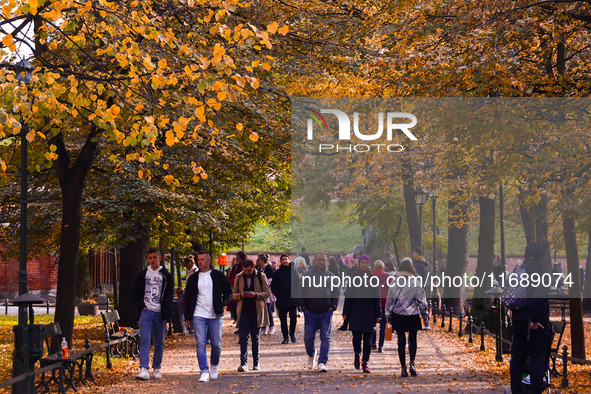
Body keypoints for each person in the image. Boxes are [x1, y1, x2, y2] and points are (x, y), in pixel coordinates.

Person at [184, 251, 233, 382]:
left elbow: (229, 292)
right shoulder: (193, 278)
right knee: (201, 343)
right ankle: (204, 370)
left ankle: (214, 365)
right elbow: (188, 299)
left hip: (215, 315)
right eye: (198, 260)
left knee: (216, 344)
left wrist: (222, 304)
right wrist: (187, 318)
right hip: (198, 314)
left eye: (202, 260)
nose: (200, 262)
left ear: (209, 261)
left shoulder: (218, 275)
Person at [510, 243, 551, 394]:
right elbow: (537, 297)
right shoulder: (541, 273)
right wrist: (534, 319)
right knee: (537, 360)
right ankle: (534, 391)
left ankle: (517, 390)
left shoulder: (518, 270)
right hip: (536, 323)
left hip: (519, 321)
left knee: (517, 359)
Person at [133, 247, 174, 380]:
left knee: (159, 342)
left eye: (154, 257)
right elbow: (136, 293)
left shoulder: (167, 276)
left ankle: (157, 368)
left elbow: (168, 297)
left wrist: (167, 314)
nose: (152, 260)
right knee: (145, 339)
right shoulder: (142, 275)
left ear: (160, 258)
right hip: (147, 311)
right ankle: (143, 368)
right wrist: (142, 306)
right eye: (150, 258)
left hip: (160, 313)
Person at [385, 257, 429, 378]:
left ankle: (403, 368)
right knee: (413, 340)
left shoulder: (394, 282)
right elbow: (422, 301)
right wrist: (425, 315)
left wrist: (388, 314)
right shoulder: (415, 282)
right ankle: (412, 364)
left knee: (401, 342)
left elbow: (389, 300)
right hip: (413, 315)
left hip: (398, 314)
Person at [299, 251, 340, 372]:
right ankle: (311, 354)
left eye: (324, 260)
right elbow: (300, 292)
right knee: (308, 337)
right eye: (319, 260)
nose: (322, 262)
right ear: (314, 261)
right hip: (310, 312)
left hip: (326, 311)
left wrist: (333, 306)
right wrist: (304, 308)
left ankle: (322, 362)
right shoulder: (306, 275)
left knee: (325, 337)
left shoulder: (331, 276)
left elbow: (336, 292)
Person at [343, 255, 380, 373]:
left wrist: (378, 313)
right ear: (359, 264)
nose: (364, 264)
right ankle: (356, 353)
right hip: (356, 311)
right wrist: (345, 312)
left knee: (368, 340)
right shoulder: (353, 277)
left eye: (366, 262)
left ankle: (365, 362)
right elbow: (348, 296)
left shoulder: (373, 278)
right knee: (357, 338)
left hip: (370, 312)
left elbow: (377, 297)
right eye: (362, 262)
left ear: (369, 264)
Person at [232, 259, 270, 372]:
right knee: (243, 338)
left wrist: (255, 295)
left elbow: (267, 293)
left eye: (249, 271)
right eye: (245, 271)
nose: (247, 273)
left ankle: (256, 363)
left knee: (255, 337)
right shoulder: (239, 277)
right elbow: (233, 294)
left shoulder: (261, 276)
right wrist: (240, 295)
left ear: (253, 267)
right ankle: (243, 363)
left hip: (256, 311)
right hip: (243, 311)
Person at [272, 254, 300, 344]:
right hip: (281, 299)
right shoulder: (277, 272)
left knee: (293, 318)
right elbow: (273, 285)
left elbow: (299, 284)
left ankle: (292, 334)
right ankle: (285, 336)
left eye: (286, 259)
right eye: (283, 259)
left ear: (289, 260)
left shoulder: (294, 272)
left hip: (293, 299)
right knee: (283, 320)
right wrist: (277, 294)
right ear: (280, 261)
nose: (284, 261)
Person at [371, 260, 391, 352]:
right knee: (383, 326)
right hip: (385, 303)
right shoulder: (387, 277)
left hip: (374, 303)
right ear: (383, 267)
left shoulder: (371, 277)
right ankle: (381, 345)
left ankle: (373, 343)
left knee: (373, 325)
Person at [256, 253, 276, 335]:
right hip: (261, 292)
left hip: (268, 292)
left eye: (258, 259)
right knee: (262, 310)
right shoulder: (258, 268)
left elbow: (272, 280)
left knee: (268, 309)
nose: (257, 261)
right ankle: (263, 327)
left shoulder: (269, 268)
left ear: (262, 260)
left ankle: (271, 326)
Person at [227, 251, 245, 332]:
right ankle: (239, 325)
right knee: (235, 309)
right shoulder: (237, 265)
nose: (237, 259)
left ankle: (242, 327)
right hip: (235, 289)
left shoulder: (243, 265)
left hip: (241, 289)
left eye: (238, 257)